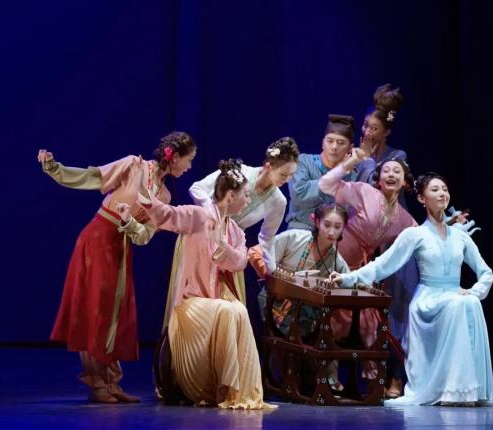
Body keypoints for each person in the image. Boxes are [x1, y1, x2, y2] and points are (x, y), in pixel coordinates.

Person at [327, 173, 493, 407]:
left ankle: (465, 390)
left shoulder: (460, 237)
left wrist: (475, 291)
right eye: (435, 190)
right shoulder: (415, 234)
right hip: (429, 300)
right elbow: (383, 264)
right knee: (460, 303)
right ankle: (450, 390)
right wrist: (348, 278)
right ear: (421, 199)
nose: (442, 194)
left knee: (469, 302)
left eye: (444, 189)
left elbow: (486, 272)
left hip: (453, 296)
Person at [37, 131, 197, 403]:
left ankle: (111, 381)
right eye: (189, 159)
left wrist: (130, 224)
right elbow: (93, 177)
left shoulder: (164, 195)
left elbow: (144, 236)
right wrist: (55, 168)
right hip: (98, 238)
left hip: (121, 247)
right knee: (96, 308)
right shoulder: (134, 165)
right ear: (175, 157)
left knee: (115, 313)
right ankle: (97, 382)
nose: (190, 166)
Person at [129, 159, 275, 409]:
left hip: (216, 303)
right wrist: (145, 194)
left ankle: (235, 391)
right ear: (231, 196)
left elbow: (240, 262)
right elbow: (168, 215)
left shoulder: (235, 231)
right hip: (192, 302)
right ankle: (222, 386)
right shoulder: (199, 216)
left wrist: (222, 245)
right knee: (227, 309)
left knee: (238, 310)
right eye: (246, 195)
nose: (248, 200)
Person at [319, 148, 417, 395]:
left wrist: (449, 226)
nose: (391, 174)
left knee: (369, 322)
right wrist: (351, 162)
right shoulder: (364, 192)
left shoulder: (404, 219)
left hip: (359, 270)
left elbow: (423, 238)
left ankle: (375, 380)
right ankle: (326, 376)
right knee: (328, 315)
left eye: (397, 171)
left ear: (405, 181)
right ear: (379, 178)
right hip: (332, 259)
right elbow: (326, 184)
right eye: (386, 171)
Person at [248, 204, 350, 391]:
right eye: (327, 225)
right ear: (316, 222)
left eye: (337, 227)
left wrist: (337, 284)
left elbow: (348, 283)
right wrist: (277, 276)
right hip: (275, 301)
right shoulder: (294, 238)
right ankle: (286, 382)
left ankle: (312, 383)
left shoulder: (337, 260)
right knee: (287, 342)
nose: (331, 232)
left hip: (306, 312)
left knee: (322, 335)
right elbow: (256, 252)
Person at [188, 138, 299, 302]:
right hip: (203, 237)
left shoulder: (278, 201)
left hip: (230, 249)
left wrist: (272, 273)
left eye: (291, 175)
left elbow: (267, 238)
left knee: (228, 306)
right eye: (283, 174)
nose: (287, 179)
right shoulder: (239, 172)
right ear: (268, 166)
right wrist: (214, 214)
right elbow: (197, 188)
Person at [285, 114, 357, 230]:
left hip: (335, 235)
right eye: (330, 141)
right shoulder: (303, 161)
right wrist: (337, 172)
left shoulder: (352, 174)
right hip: (301, 230)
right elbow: (299, 195)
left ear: (350, 148)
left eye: (341, 143)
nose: (334, 147)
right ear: (323, 142)